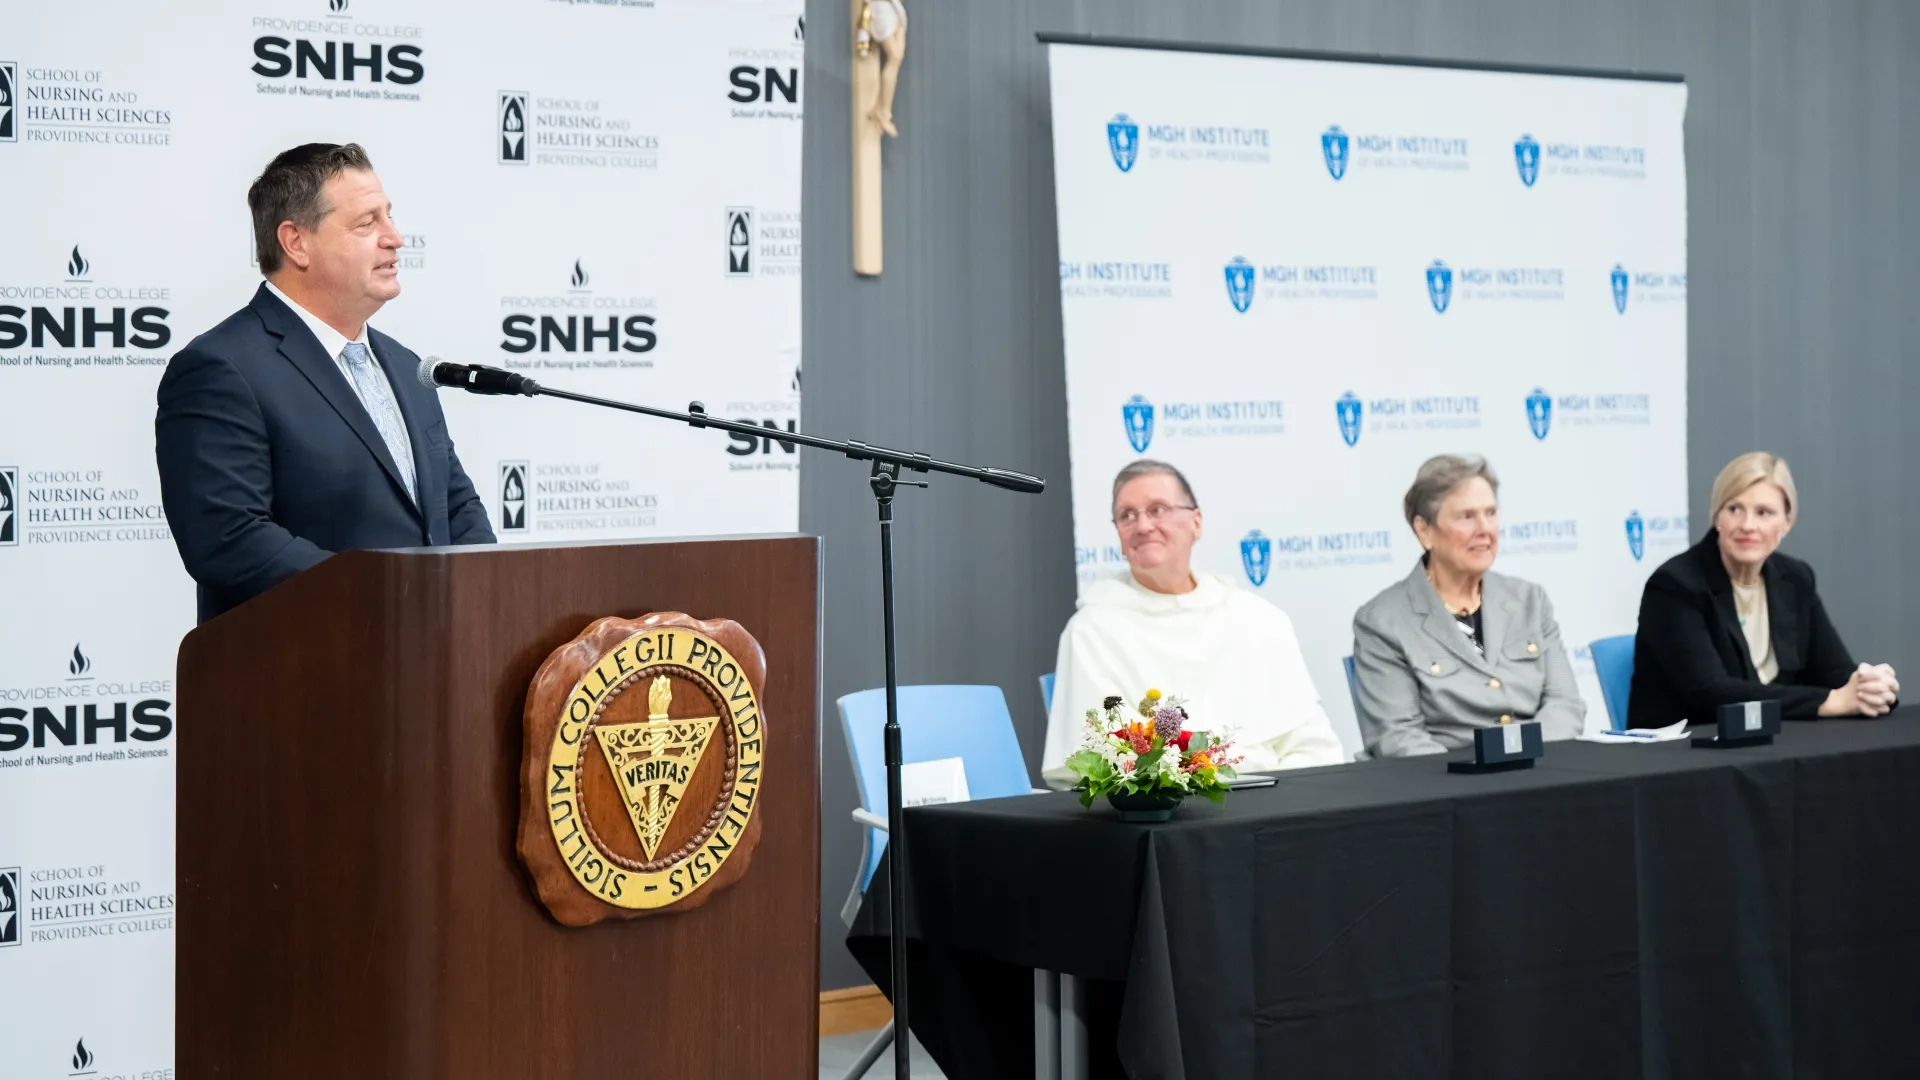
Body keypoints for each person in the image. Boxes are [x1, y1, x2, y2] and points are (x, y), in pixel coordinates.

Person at [156, 142, 494, 622]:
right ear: (296, 242)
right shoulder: (221, 368)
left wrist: (482, 592)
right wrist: (394, 597)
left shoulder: (407, 367)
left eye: (390, 217)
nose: (395, 238)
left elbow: (456, 506)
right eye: (367, 223)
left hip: (431, 654)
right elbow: (229, 539)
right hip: (310, 656)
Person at [1040, 460, 1345, 787]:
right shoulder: (1093, 629)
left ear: (1196, 523)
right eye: (1127, 515)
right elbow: (1102, 760)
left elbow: (1313, 745)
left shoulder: (1259, 619)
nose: (1143, 525)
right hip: (1169, 808)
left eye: (1157, 509)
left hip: (1277, 801)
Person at [1627, 452, 1898, 726]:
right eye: (1734, 509)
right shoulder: (1675, 585)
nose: (1747, 525)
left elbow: (1835, 671)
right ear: (1717, 517)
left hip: (1772, 740)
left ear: (1787, 522)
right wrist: (1829, 701)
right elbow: (1710, 693)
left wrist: (1869, 688)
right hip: (1690, 744)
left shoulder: (1795, 579)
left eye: (1764, 512)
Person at [1351, 454, 1585, 756]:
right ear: (1425, 531)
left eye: (1491, 513)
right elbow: (1398, 737)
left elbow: (1565, 704)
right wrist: (1481, 772)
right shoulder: (1382, 621)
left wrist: (1518, 757)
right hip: (1446, 779)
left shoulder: (1530, 600)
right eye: (1466, 517)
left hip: (1540, 769)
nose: (1485, 529)